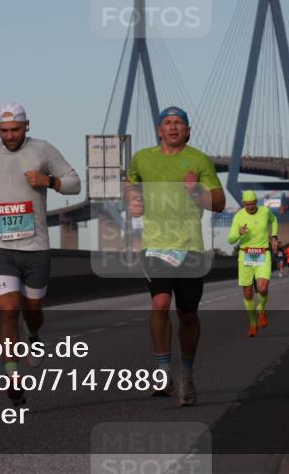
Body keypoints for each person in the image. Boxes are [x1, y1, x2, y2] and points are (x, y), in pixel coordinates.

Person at [0, 102, 81, 407]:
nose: (9, 136)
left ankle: (33, 335)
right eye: (4, 131)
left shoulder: (43, 150)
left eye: (15, 130)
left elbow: (75, 184)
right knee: (8, 310)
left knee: (33, 311)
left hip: (35, 248)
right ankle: (12, 376)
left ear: (27, 126)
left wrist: (50, 181)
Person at [126, 105, 225, 407]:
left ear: (188, 130)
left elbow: (218, 203)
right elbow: (131, 183)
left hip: (191, 247)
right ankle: (162, 370)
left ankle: (187, 372)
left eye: (179, 123)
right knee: (160, 303)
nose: (173, 127)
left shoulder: (198, 160)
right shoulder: (142, 158)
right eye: (167, 123)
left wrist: (197, 192)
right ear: (159, 130)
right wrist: (133, 201)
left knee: (188, 315)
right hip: (155, 245)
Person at [227, 190, 278, 337]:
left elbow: (274, 220)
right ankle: (252, 322)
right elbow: (230, 239)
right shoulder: (238, 216)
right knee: (248, 294)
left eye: (253, 204)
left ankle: (261, 309)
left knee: (262, 288)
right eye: (247, 204)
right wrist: (239, 233)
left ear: (257, 202)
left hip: (263, 253)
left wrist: (274, 237)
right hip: (245, 256)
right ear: (244, 204)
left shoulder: (265, 212)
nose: (250, 207)